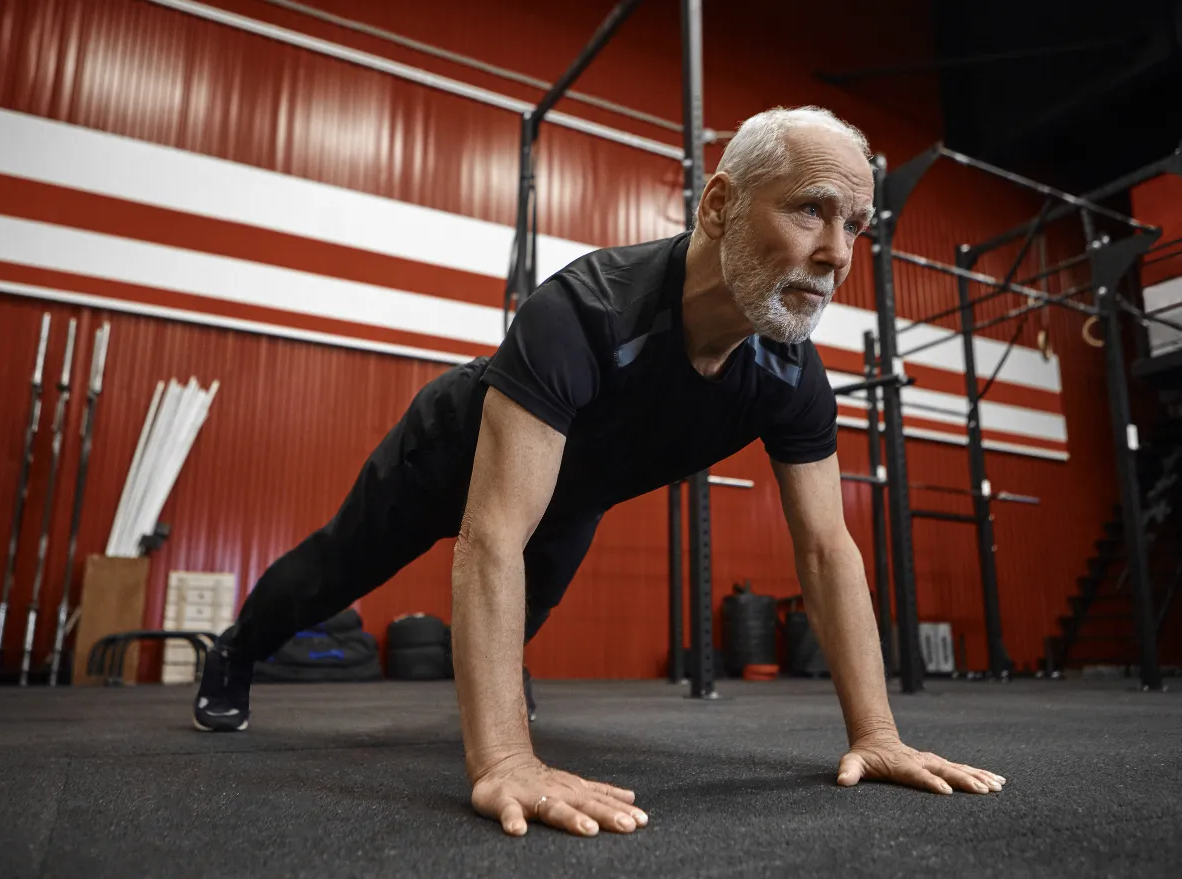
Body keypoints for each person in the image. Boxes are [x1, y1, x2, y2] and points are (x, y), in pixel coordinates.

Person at [192, 105, 1006, 837]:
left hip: (573, 491)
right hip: (451, 453)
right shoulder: (585, 311)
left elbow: (828, 549)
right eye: (809, 211)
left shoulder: (790, 374)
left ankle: (497, 681)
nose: (835, 254)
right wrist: (505, 758)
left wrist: (877, 733)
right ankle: (234, 651)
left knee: (525, 616)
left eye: (855, 225)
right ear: (719, 204)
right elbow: (489, 538)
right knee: (331, 574)